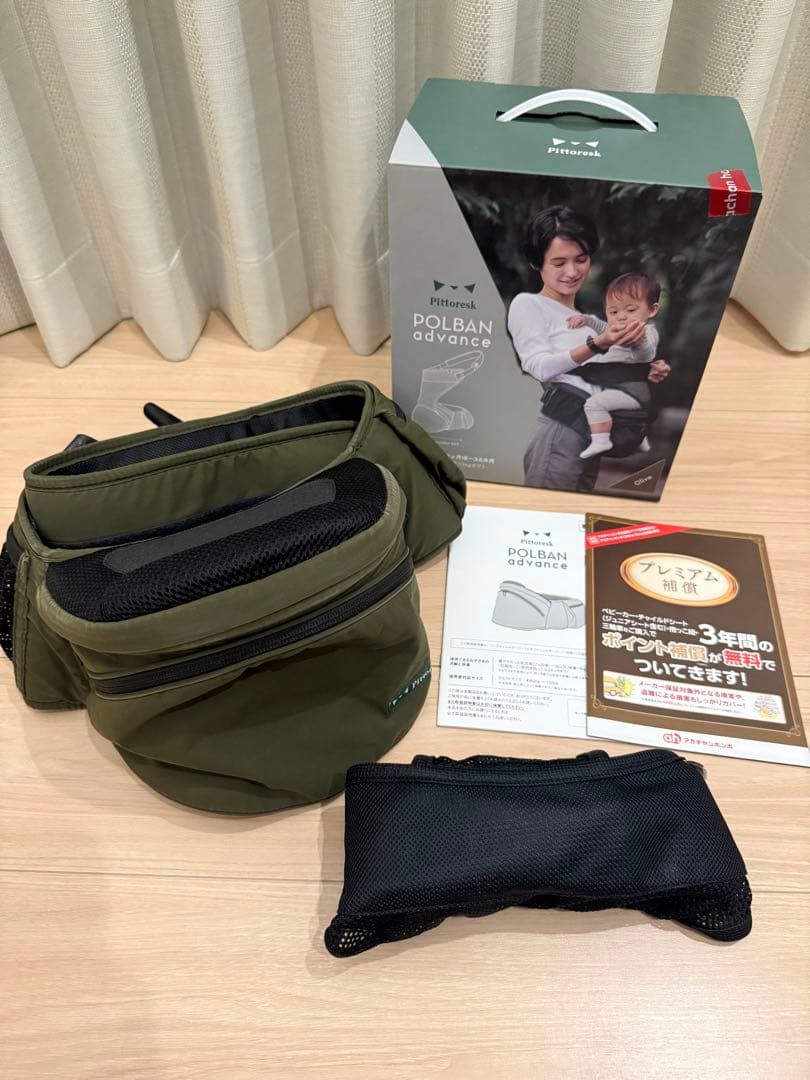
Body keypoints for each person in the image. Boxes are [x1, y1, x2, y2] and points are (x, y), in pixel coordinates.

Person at [507, 205, 670, 491]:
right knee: (547, 507)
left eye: (581, 259)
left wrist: (644, 369)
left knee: (572, 508)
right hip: (562, 429)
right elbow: (539, 367)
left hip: (590, 431)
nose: (572, 272)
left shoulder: (585, 320)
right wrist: (597, 344)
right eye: (559, 263)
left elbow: (600, 372)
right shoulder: (528, 304)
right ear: (536, 263)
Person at [566, 272, 661, 459]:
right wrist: (587, 320)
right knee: (611, 409)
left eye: (631, 310)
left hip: (630, 391)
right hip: (616, 386)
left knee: (594, 405)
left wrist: (637, 339)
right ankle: (640, 437)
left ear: (652, 310)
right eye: (614, 312)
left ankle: (601, 440)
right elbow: (604, 328)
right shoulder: (615, 330)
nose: (621, 317)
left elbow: (646, 353)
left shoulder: (647, 333)